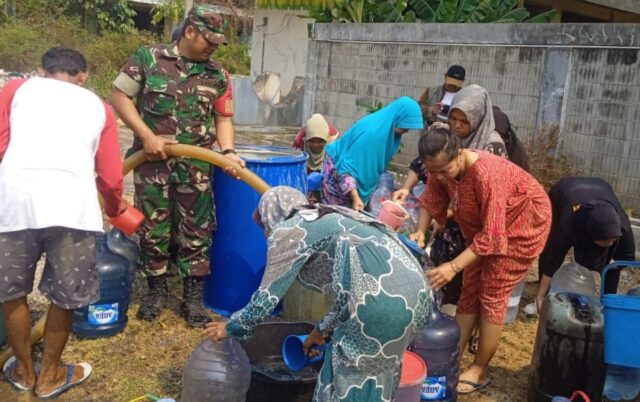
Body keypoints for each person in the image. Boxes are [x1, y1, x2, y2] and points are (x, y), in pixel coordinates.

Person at [204, 186, 432, 402]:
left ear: (271, 217)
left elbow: (266, 299)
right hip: (418, 298)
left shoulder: (290, 230)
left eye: (263, 226)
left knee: (346, 381)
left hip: (380, 304)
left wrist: (232, 326)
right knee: (377, 375)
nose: (265, 234)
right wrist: (320, 331)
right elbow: (349, 294)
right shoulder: (331, 216)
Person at [0, 47, 126, 398]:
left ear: (42, 71)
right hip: (73, 209)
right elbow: (113, 177)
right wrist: (116, 209)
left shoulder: (16, 89)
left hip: (13, 205)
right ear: (83, 77)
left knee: (11, 292)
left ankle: (24, 372)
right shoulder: (100, 108)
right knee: (66, 297)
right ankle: (50, 375)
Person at [110, 4, 246, 328]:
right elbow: (119, 95)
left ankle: (193, 299)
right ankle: (156, 292)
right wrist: (146, 135)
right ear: (189, 31)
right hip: (150, 162)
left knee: (196, 233)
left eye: (217, 41)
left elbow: (223, 118)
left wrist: (227, 150)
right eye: (208, 38)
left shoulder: (217, 74)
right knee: (153, 230)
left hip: (197, 165)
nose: (213, 45)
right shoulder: (149, 58)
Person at [412, 129, 551, 395]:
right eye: (434, 171)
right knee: (471, 287)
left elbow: (493, 237)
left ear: (460, 153)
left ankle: (479, 368)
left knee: (493, 292)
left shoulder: (486, 173)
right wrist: (421, 231)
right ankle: (453, 356)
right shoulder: (439, 167)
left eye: (445, 170)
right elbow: (431, 199)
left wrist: (453, 266)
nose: (440, 176)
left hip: (524, 222)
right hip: (486, 225)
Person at [535, 177, 635, 311]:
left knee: (612, 268)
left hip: (601, 187)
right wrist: (540, 296)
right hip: (565, 191)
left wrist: (614, 264)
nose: (610, 243)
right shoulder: (569, 223)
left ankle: (606, 307)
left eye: (613, 239)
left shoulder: (622, 226)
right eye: (605, 240)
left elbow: (627, 258)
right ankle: (546, 294)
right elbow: (552, 258)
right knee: (550, 246)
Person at [321, 96, 423, 210]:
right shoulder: (372, 135)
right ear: (396, 118)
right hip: (337, 172)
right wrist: (355, 197)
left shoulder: (388, 134)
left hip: (350, 181)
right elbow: (346, 171)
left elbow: (371, 167)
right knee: (336, 215)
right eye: (405, 126)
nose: (407, 130)